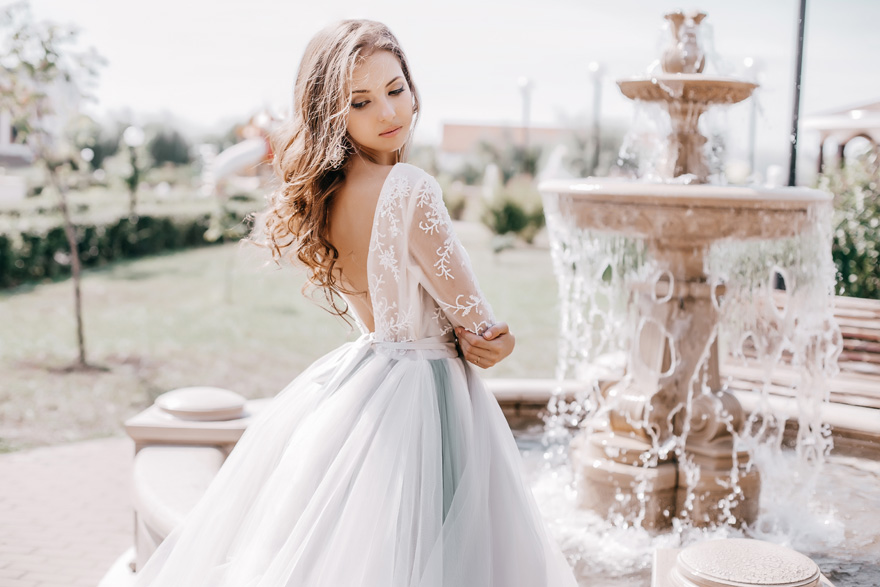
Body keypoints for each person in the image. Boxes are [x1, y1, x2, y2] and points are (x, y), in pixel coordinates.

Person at [134, 19, 579, 587]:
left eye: (396, 90)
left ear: (412, 85)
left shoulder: (329, 192)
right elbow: (480, 329)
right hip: (430, 393)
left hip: (366, 385)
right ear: (333, 114)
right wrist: (500, 339)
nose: (389, 113)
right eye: (362, 101)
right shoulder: (410, 189)